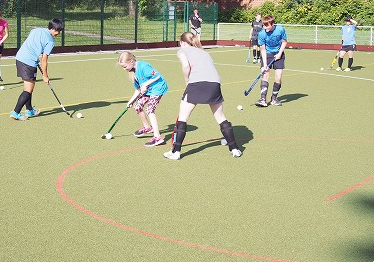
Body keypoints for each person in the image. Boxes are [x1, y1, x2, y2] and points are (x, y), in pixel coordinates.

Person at [163, 32, 242, 160]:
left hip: (197, 83)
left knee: (183, 117)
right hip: (214, 83)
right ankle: (235, 149)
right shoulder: (204, 52)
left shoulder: (182, 50)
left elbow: (185, 66)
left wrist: (187, 82)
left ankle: (176, 152)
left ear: (182, 42)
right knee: (220, 117)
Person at [9, 18, 64, 120]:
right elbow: (44, 60)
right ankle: (15, 112)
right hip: (28, 62)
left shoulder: (36, 30)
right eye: (57, 30)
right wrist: (45, 76)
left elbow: (33, 42)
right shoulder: (50, 41)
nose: (59, 33)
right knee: (28, 90)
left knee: (28, 87)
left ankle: (29, 110)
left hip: (20, 58)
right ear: (52, 28)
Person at [118, 51, 168, 147]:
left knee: (150, 110)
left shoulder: (143, 66)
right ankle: (147, 127)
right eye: (122, 67)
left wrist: (146, 84)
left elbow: (157, 76)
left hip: (157, 88)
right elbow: (138, 89)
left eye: (124, 66)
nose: (124, 69)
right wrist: (131, 101)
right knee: (137, 106)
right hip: (148, 90)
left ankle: (158, 137)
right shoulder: (133, 73)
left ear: (131, 61)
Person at [255, 14, 288, 107]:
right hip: (267, 54)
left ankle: (274, 99)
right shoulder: (262, 33)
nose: (265, 27)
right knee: (265, 74)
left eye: (267, 25)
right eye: (263, 25)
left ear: (272, 24)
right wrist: (265, 64)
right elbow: (263, 49)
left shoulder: (280, 29)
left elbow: (284, 42)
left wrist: (280, 53)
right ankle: (263, 99)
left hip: (279, 54)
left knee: (278, 77)